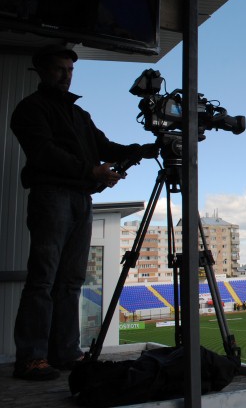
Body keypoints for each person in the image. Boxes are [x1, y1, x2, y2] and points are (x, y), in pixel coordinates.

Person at [10, 44, 158, 381]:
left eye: (70, 69)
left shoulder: (79, 115)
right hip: (52, 196)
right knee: (43, 279)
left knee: (71, 281)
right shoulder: (30, 109)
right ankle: (31, 358)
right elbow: (44, 153)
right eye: (59, 69)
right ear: (42, 71)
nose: (66, 75)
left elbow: (104, 147)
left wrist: (141, 151)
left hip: (79, 199)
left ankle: (64, 352)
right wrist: (91, 172)